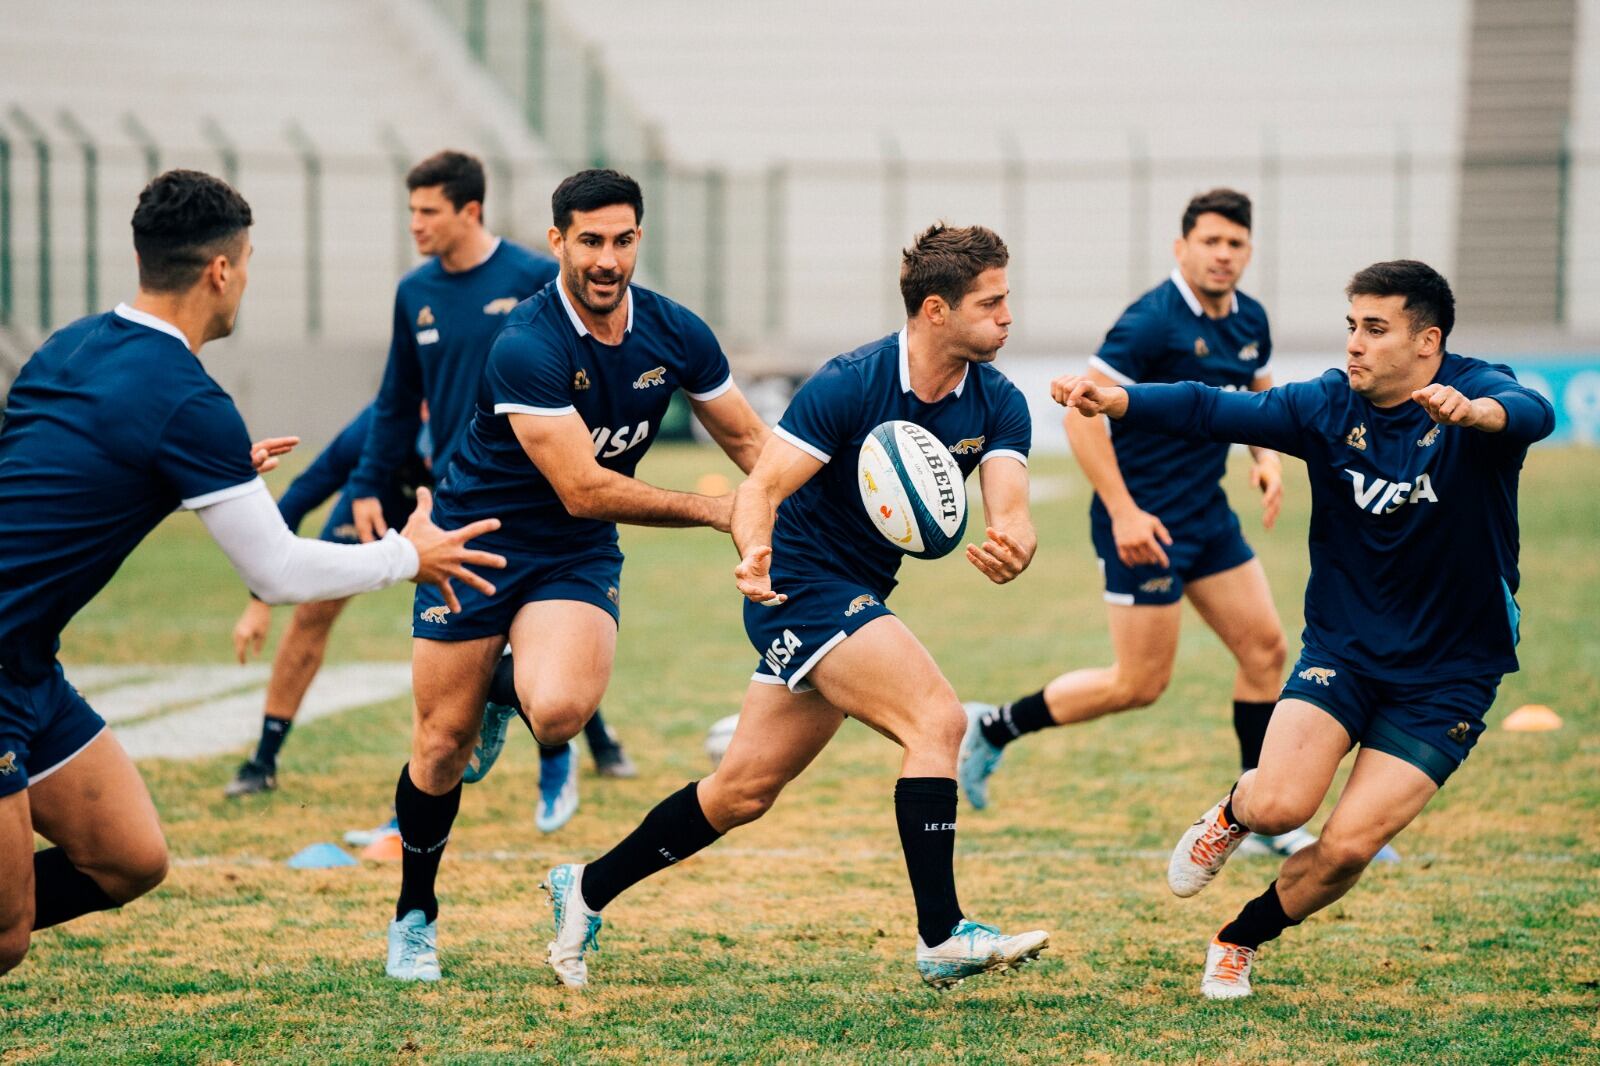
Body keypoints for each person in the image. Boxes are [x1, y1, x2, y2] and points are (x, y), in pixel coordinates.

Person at [0, 169, 502, 976]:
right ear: (221, 270)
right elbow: (276, 571)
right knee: (7, 932)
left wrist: (192, 473)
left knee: (129, 858)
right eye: (250, 263)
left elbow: (56, 480)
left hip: (27, 664)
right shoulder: (188, 400)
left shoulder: (69, 344)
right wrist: (412, 556)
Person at [540, 223, 1050, 992]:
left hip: (857, 593)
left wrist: (1015, 542)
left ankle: (584, 889)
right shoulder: (852, 383)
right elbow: (763, 487)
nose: (1009, 316)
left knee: (741, 791)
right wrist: (751, 553)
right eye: (993, 301)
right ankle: (942, 935)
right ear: (937, 310)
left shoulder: (999, 402)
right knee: (938, 722)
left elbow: (1010, 508)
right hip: (800, 585)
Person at [1054, 260, 1553, 999]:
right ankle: (1231, 813)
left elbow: (1532, 409)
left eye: (1375, 329)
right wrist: (1118, 401)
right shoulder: (1326, 406)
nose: (1354, 344)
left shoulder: (1477, 394)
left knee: (1348, 847)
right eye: (1351, 325)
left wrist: (1479, 416)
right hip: (1345, 652)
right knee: (1282, 804)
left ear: (1428, 342)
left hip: (1452, 673)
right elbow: (1207, 409)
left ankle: (1237, 939)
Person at [385, 169, 770, 982]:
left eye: (622, 240)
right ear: (557, 241)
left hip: (574, 549)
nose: (607, 259)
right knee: (440, 744)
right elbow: (583, 484)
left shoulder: (676, 332)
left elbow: (750, 444)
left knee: (558, 713)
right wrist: (714, 512)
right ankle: (415, 912)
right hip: (476, 541)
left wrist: (803, 510)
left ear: (640, 240)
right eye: (589, 240)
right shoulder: (528, 341)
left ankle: (503, 690)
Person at [960, 188, 1315, 858]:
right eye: (1209, 241)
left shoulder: (1250, 320)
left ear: (1248, 252)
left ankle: (1259, 813)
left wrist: (1265, 460)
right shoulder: (1151, 321)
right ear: (1182, 248)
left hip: (1206, 515)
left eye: (1235, 243)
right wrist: (1124, 512)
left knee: (1266, 651)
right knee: (1139, 685)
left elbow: (1257, 392)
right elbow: (1079, 413)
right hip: (1142, 521)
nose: (1222, 254)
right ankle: (995, 727)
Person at [334, 150, 634, 826]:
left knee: (552, 647)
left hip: (540, 497)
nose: (415, 224)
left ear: (470, 210)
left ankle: (561, 760)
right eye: (410, 211)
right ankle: (425, 802)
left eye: (427, 211)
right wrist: (366, 481)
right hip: (456, 498)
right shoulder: (414, 292)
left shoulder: (538, 276)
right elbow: (395, 397)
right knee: (447, 711)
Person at [223, 402, 432, 797]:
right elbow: (301, 495)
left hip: (450, 507)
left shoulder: (478, 417)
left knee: (498, 611)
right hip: (377, 500)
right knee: (312, 613)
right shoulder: (378, 424)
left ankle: (568, 744)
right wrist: (258, 600)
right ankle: (263, 761)